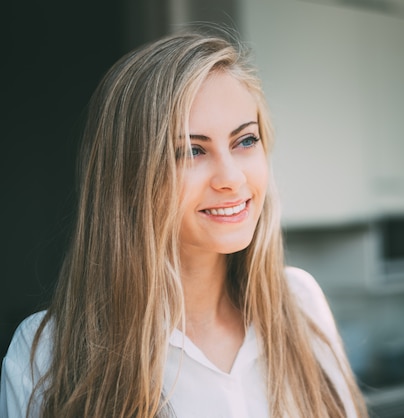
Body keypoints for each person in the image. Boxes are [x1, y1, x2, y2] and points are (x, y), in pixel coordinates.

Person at [0, 29, 369, 418]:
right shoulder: (46, 354)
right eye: (191, 150)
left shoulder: (302, 302)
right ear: (129, 177)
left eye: (245, 141)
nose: (232, 178)